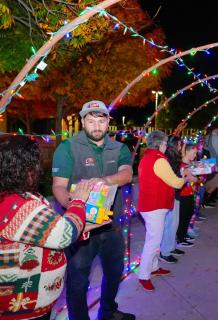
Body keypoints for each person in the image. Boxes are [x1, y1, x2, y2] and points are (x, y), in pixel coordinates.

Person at [52, 100, 135, 320]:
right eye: (91, 121)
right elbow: (59, 186)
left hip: (111, 226)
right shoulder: (68, 147)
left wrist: (103, 181)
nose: (96, 126)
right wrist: (76, 211)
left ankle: (107, 311)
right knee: (78, 279)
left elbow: (126, 174)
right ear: (82, 122)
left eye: (101, 120)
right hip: (81, 230)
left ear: (108, 122)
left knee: (114, 272)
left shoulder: (119, 148)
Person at [0, 136, 93, 320]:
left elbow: (45, 232)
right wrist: (79, 201)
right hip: (22, 305)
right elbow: (64, 234)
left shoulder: (11, 197)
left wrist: (82, 227)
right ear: (25, 167)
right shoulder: (19, 205)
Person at [137, 131, 194, 292]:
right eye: (164, 143)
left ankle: (154, 267)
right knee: (153, 241)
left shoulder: (147, 157)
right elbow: (176, 183)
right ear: (161, 144)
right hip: (154, 206)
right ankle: (143, 276)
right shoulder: (159, 160)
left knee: (155, 238)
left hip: (150, 205)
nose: (165, 146)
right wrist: (186, 178)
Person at [160, 135, 184, 264]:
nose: (181, 147)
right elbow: (171, 178)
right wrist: (183, 176)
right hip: (170, 194)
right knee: (169, 223)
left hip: (175, 194)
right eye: (179, 145)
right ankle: (165, 251)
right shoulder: (167, 159)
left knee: (174, 222)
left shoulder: (174, 158)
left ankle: (171, 246)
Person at [177, 143, 199, 246]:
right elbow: (188, 178)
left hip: (189, 193)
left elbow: (194, 180)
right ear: (187, 151)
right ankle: (180, 238)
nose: (195, 155)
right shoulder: (181, 165)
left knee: (188, 214)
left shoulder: (190, 164)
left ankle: (184, 234)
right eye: (194, 153)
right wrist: (193, 179)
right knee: (183, 216)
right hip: (182, 195)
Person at [203, 126, 218, 206]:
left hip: (206, 162)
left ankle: (207, 200)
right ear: (216, 129)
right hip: (213, 163)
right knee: (217, 183)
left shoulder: (207, 136)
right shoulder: (215, 138)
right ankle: (204, 201)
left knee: (208, 183)